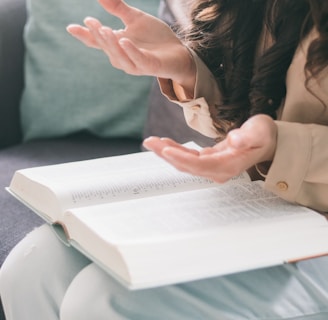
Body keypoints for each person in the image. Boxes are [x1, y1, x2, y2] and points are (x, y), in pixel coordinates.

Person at [1, 0, 328, 319]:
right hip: (270, 202)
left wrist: (279, 145)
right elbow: (254, 102)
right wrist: (186, 68)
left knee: (104, 303)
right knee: (32, 270)